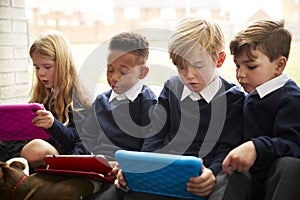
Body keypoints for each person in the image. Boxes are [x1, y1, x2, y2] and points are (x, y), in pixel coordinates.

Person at [114, 16, 245, 200]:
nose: (189, 75)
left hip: (201, 178)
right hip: (164, 174)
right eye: (181, 67)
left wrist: (213, 174)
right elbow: (155, 135)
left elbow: (226, 148)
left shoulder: (233, 98)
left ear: (219, 59)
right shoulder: (172, 87)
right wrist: (139, 169)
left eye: (198, 65)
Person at [215, 19, 300, 200]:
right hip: (248, 182)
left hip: (279, 182)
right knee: (231, 173)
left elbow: (294, 144)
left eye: (251, 66)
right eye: (237, 66)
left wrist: (256, 147)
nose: (241, 74)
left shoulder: (291, 98)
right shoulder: (241, 98)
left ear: (279, 65)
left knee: (290, 166)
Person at [79, 31, 157, 199]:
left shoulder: (148, 103)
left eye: (123, 72)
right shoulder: (101, 101)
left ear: (142, 73)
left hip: (124, 172)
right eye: (110, 70)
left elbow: (149, 148)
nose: (114, 78)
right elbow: (87, 138)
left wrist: (127, 167)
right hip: (96, 169)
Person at [0, 30, 92, 169]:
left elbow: (79, 141)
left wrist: (53, 125)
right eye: (36, 67)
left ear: (63, 64)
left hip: (59, 156)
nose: (41, 73)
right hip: (29, 151)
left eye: (47, 67)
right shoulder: (42, 96)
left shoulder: (79, 98)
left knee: (37, 148)